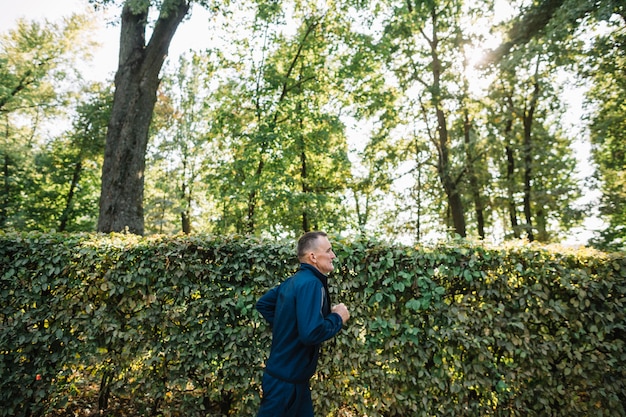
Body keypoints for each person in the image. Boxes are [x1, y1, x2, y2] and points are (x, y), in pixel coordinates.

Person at [256, 231, 350, 417]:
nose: (333, 256)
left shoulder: (293, 281)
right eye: (329, 250)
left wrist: (290, 327)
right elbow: (311, 333)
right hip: (285, 385)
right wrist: (338, 317)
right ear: (313, 257)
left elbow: (264, 304)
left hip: (294, 381)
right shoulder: (311, 284)